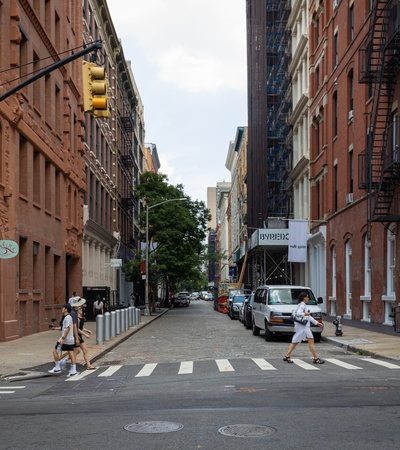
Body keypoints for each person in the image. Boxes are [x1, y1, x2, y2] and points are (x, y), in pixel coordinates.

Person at [283, 292, 325, 364]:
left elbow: (308, 316)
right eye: (307, 296)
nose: (308, 298)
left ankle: (287, 355)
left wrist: (316, 322)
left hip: (301, 326)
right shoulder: (302, 305)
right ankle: (316, 358)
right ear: (304, 298)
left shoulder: (301, 305)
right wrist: (305, 314)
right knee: (311, 341)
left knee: (295, 341)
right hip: (304, 327)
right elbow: (299, 313)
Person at [48, 304, 78, 377]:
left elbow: (67, 328)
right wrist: (54, 328)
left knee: (55, 351)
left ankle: (57, 367)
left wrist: (63, 338)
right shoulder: (69, 317)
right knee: (71, 353)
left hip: (65, 339)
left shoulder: (67, 317)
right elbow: (63, 328)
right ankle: (73, 370)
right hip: (70, 339)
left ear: (66, 309)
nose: (62, 309)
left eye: (63, 308)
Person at [76, 305, 96, 369]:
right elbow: (77, 329)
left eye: (81, 309)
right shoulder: (77, 319)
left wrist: (87, 331)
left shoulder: (80, 318)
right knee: (74, 352)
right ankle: (60, 360)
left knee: (85, 350)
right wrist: (85, 334)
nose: (81, 310)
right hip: (77, 336)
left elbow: (81, 328)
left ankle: (88, 365)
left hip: (79, 336)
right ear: (77, 311)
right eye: (79, 309)